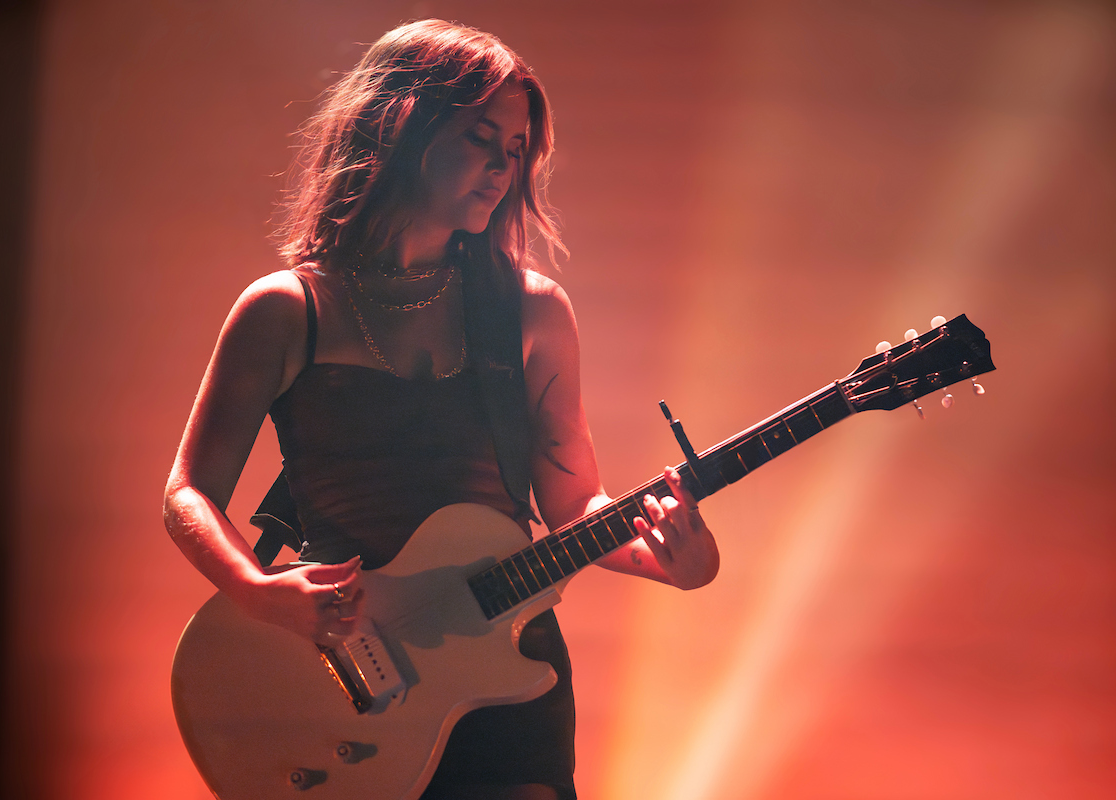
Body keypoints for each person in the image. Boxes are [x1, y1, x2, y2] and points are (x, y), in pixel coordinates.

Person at [163, 18, 720, 800]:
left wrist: (673, 563)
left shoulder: (532, 310)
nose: (502, 167)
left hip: (511, 670)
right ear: (399, 128)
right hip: (350, 668)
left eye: (516, 149)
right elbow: (188, 492)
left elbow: (575, 506)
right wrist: (259, 593)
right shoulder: (287, 309)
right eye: (481, 139)